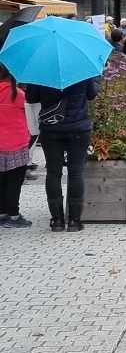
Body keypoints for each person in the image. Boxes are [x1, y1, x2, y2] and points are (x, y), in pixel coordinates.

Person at [25, 72, 101, 232]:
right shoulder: (82, 68)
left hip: (51, 128)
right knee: (76, 172)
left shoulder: (41, 70)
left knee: (53, 173)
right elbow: (92, 95)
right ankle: (74, 220)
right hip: (78, 127)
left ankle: (57, 220)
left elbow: (31, 98)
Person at [0, 62, 32, 228]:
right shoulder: (18, 94)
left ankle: (2, 212)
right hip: (17, 144)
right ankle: (13, 215)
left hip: (1, 145)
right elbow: (30, 114)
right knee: (15, 180)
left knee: (2, 179)